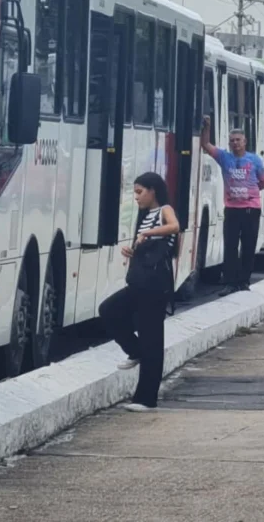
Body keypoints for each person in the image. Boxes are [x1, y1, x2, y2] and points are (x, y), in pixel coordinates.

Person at [99, 172, 180, 412]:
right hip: (140, 281)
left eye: (139, 191)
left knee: (152, 337)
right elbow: (148, 253)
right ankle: (135, 351)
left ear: (153, 190)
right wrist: (132, 251)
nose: (136, 197)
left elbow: (175, 226)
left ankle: (146, 398)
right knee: (109, 310)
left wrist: (147, 234)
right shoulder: (143, 216)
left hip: (155, 285)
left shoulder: (164, 209)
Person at [200, 116, 264, 297]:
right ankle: (230, 283)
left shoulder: (254, 160)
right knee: (230, 246)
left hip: (251, 209)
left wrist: (249, 192)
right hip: (231, 210)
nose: (235, 143)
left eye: (238, 140)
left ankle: (244, 281)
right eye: (232, 141)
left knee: (248, 246)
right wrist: (206, 127)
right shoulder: (224, 158)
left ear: (245, 141)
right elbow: (206, 145)